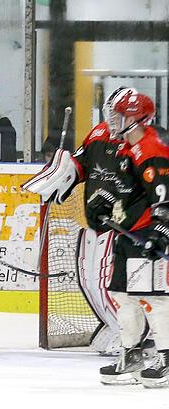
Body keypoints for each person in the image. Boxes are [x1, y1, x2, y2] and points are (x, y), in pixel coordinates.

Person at [23, 89, 169, 387]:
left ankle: (166, 357)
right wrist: (103, 203)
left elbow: (163, 199)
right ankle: (132, 354)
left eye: (121, 115)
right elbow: (121, 187)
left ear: (140, 118)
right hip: (125, 232)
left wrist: (161, 232)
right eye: (113, 113)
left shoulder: (151, 148)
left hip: (145, 233)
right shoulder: (125, 146)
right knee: (122, 295)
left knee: (152, 297)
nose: (114, 120)